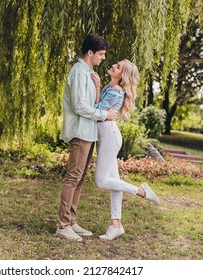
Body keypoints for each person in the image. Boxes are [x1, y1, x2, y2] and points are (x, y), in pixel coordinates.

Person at [56, 35, 118, 242]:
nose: (103, 58)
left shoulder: (90, 74)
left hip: (89, 132)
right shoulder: (78, 73)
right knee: (73, 177)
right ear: (90, 53)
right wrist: (105, 115)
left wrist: (99, 86)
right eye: (101, 54)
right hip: (81, 132)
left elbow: (93, 102)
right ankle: (63, 225)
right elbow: (79, 106)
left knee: (80, 178)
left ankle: (71, 221)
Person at [91, 59, 159, 241]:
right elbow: (100, 111)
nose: (113, 65)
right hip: (107, 134)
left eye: (118, 67)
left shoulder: (115, 91)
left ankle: (142, 192)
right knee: (113, 182)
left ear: (122, 76)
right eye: (116, 64)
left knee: (101, 181)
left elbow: (96, 109)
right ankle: (116, 224)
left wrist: (97, 87)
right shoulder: (111, 87)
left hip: (109, 136)